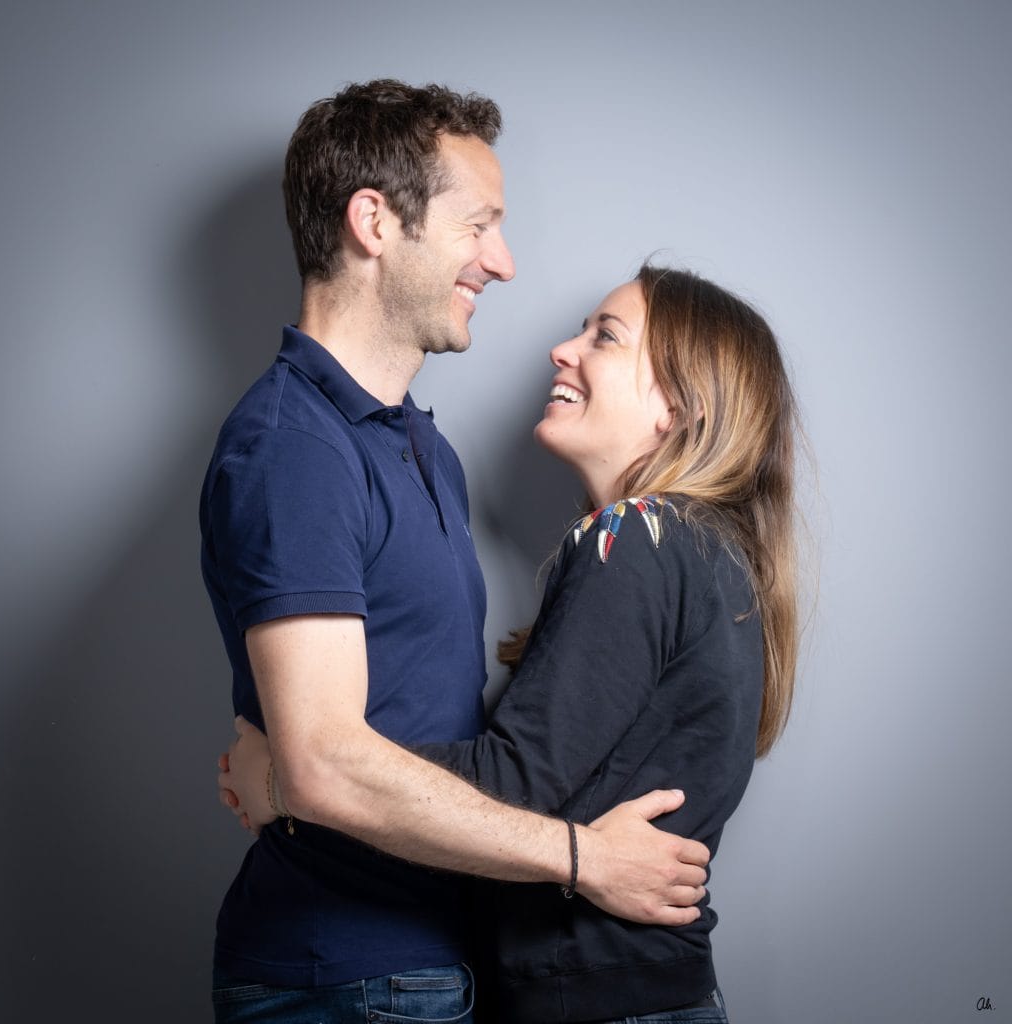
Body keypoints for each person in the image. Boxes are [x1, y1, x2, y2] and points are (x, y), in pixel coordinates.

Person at [201, 80, 709, 1024]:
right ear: (374, 222)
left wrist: (281, 782)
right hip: (343, 978)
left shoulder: (422, 448)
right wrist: (583, 858)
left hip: (442, 962)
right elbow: (327, 764)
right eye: (479, 226)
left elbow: (366, 741)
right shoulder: (292, 449)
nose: (504, 263)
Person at [221, 263, 801, 1023]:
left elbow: (514, 780)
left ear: (680, 407)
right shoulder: (706, 551)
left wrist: (299, 774)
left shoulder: (635, 537)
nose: (563, 350)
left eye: (605, 336)